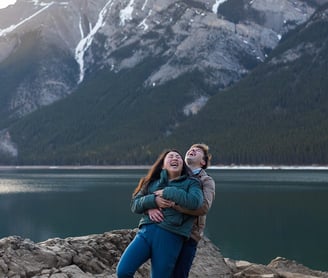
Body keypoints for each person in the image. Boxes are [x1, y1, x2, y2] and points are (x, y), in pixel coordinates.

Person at [116, 149, 204, 278]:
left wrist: (168, 192)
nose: (175, 158)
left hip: (171, 236)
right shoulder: (151, 182)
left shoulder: (192, 183)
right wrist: (153, 201)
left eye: (178, 157)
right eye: (170, 156)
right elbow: (135, 204)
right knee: (123, 271)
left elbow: (196, 202)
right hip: (145, 234)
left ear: (183, 164)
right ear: (163, 165)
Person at [148, 143, 215, 277]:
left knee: (179, 274)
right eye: (190, 148)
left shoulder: (206, 181)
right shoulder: (171, 174)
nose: (192, 150)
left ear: (203, 162)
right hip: (166, 230)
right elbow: (148, 195)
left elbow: (203, 207)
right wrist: (150, 207)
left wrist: (174, 205)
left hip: (189, 235)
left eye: (198, 150)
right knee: (161, 272)